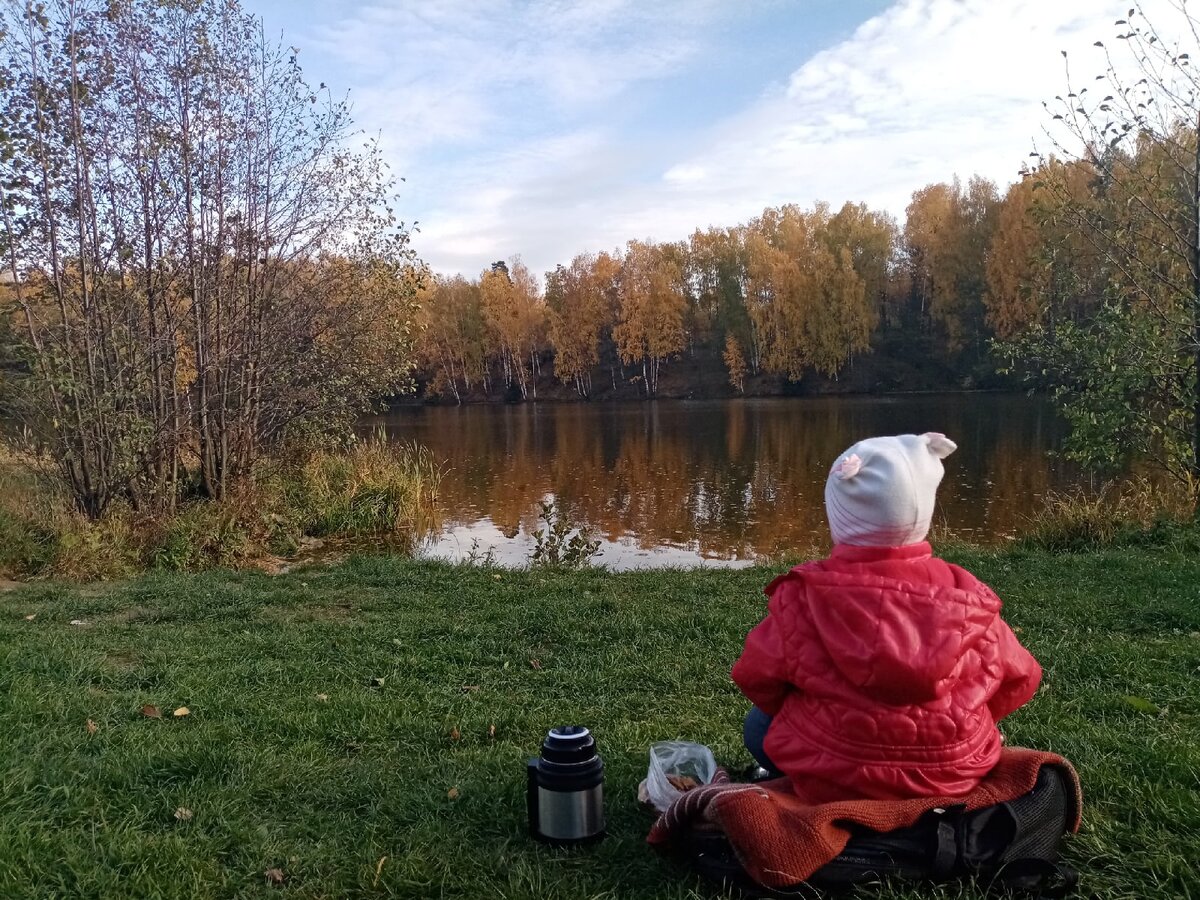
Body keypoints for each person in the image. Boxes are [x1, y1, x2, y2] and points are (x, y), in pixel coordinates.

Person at [731, 433, 1042, 803]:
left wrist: (812, 717)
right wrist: (972, 721)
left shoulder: (803, 596)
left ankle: (787, 776)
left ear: (839, 519)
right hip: (952, 772)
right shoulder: (966, 597)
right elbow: (1023, 677)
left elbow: (756, 676)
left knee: (758, 725)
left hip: (830, 773)